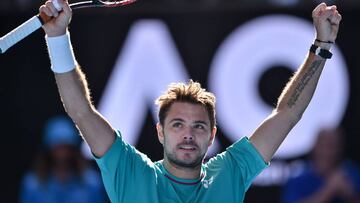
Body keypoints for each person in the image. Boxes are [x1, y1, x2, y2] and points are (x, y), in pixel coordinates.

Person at [38, 0, 342, 202]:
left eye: (198, 126)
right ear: (160, 131)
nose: (188, 134)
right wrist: (57, 39)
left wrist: (322, 45)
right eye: (178, 124)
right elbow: (80, 111)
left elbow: (286, 115)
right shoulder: (130, 172)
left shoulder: (230, 172)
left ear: (211, 136)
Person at [19, 116, 107, 203]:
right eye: (58, 148)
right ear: (48, 149)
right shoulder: (33, 184)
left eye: (66, 147)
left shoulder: (92, 183)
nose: (62, 154)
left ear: (74, 150)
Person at [282, 127, 360, 203]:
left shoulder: (351, 173)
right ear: (315, 146)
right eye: (325, 145)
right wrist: (329, 190)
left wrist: (351, 194)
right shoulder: (298, 177)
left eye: (334, 146)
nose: (329, 152)